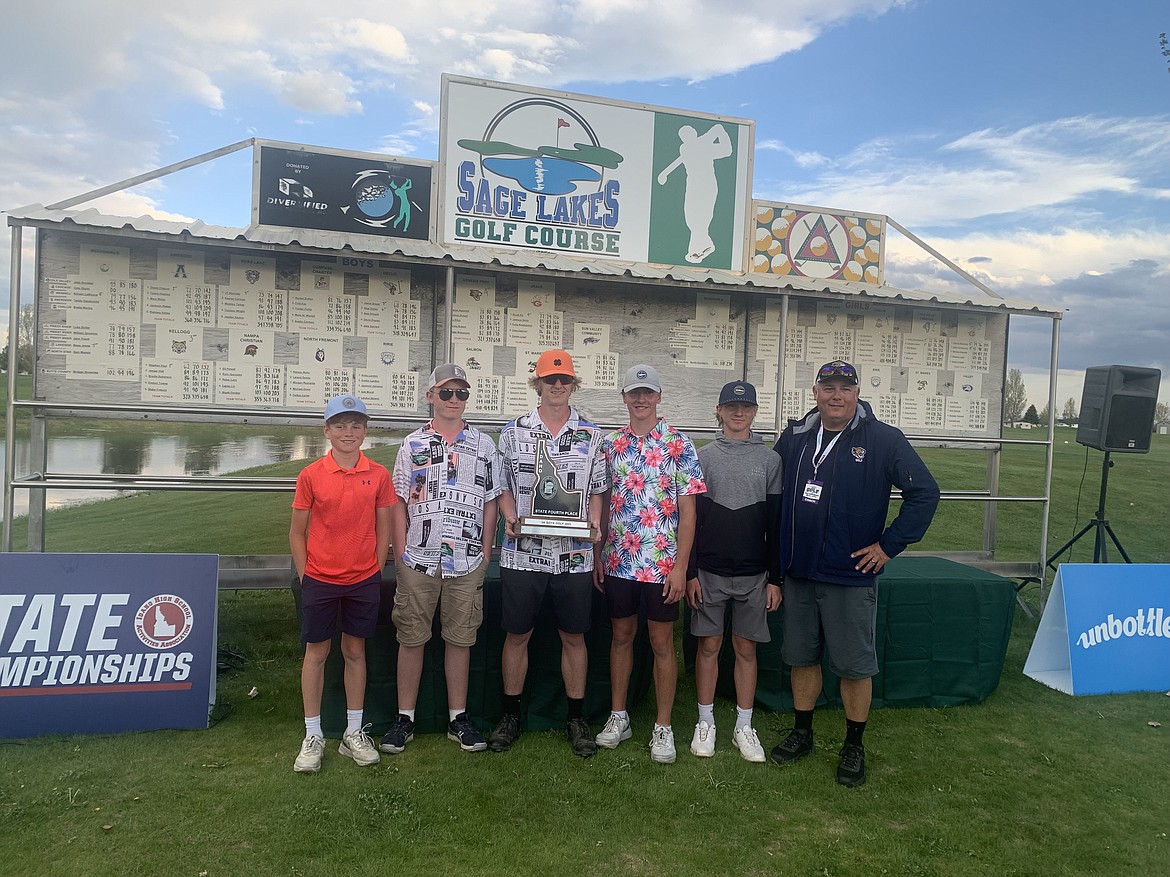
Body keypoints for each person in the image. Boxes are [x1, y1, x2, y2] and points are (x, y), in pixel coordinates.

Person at [769, 360, 939, 787]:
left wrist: (888, 545)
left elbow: (925, 492)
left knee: (853, 666)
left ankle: (853, 744)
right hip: (800, 572)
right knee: (801, 658)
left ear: (857, 392)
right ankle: (802, 732)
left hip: (849, 574)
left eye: (845, 387)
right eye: (829, 387)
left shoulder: (882, 439)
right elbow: (773, 495)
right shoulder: (794, 438)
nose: (837, 395)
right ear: (815, 392)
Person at [488, 349, 609, 758]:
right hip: (522, 553)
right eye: (549, 379)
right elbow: (500, 482)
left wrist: (594, 524)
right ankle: (510, 715)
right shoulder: (513, 431)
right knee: (517, 634)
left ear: (573, 385)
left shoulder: (592, 435)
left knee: (573, 636)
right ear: (537, 383)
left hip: (573, 555)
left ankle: (576, 717)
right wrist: (508, 514)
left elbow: (596, 490)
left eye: (564, 380)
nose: (557, 386)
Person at [379, 364, 502, 756]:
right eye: (446, 393)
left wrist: (484, 553)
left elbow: (492, 503)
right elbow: (398, 501)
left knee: (460, 639)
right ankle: (405, 719)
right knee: (411, 638)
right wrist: (400, 554)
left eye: (460, 393)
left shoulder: (484, 445)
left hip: (466, 561)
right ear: (430, 396)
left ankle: (458, 718)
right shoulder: (411, 445)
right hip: (418, 558)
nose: (453, 400)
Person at [594, 364, 706, 764]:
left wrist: (680, 567)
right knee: (621, 637)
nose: (640, 400)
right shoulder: (611, 445)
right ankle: (619, 716)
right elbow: (603, 504)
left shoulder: (680, 443)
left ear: (659, 397)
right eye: (633, 393)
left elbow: (689, 514)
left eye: (648, 393)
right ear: (624, 397)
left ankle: (663, 728)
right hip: (620, 561)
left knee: (661, 644)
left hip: (661, 565)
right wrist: (598, 554)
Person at [291, 393, 394, 773]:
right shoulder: (311, 474)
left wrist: (374, 564)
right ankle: (313, 734)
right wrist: (307, 574)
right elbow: (296, 532)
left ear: (365, 430)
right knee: (316, 654)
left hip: (362, 580)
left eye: (355, 425)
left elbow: (384, 525)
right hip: (320, 578)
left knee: (355, 652)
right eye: (340, 425)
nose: (348, 432)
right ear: (327, 430)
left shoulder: (379, 474)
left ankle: (353, 732)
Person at [685, 380, 782, 763]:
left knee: (745, 648)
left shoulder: (771, 461)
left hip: (754, 574)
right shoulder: (702, 457)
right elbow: (689, 522)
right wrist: (690, 572)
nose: (738, 413)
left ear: (755, 412)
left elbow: (775, 526)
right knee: (708, 646)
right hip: (709, 571)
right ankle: (704, 721)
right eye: (731, 406)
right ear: (719, 411)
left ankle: (744, 725)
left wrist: (775, 578)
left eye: (745, 407)